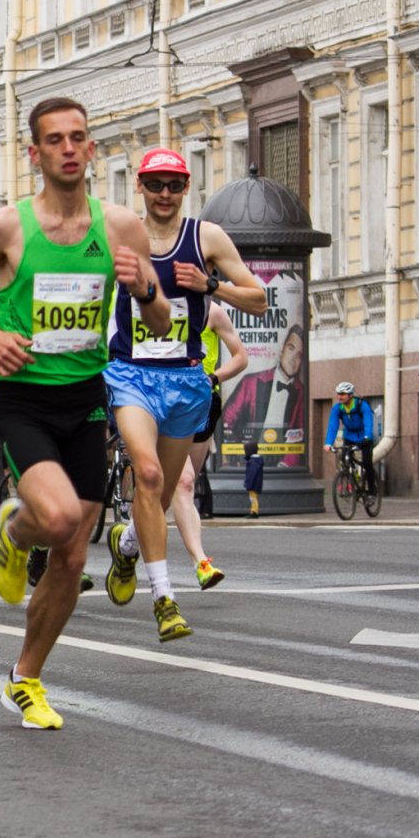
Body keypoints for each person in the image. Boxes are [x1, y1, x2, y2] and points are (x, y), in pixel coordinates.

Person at [0, 96, 167, 730]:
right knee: (61, 519)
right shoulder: (7, 228)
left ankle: (25, 677)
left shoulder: (120, 226)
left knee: (71, 558)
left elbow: (160, 319)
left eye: (80, 138)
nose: (69, 148)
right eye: (55, 140)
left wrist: (144, 287)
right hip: (26, 399)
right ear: (34, 154)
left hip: (85, 399)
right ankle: (15, 529)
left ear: (92, 149)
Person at [100, 148, 266, 642]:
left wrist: (211, 284)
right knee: (147, 475)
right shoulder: (118, 236)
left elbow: (257, 298)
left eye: (174, 184)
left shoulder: (205, 237)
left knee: (164, 490)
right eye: (156, 184)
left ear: (187, 186)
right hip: (129, 373)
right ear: (140, 187)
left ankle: (126, 545)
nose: (165, 194)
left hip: (186, 380)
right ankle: (165, 599)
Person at [168, 302, 248, 588]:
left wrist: (214, 377)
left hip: (202, 404)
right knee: (185, 483)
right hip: (166, 402)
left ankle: (128, 540)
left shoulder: (212, 312)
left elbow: (241, 357)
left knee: (173, 493)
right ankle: (201, 562)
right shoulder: (156, 305)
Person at [220, 322, 307, 466]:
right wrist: (239, 456)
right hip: (249, 458)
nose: (293, 358)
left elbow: (299, 437)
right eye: (291, 348)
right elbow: (227, 419)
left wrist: (284, 465)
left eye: (299, 355)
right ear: (282, 349)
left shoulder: (300, 392)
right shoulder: (250, 382)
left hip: (280, 464)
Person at [324, 381, 377, 495]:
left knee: (367, 463)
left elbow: (368, 422)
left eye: (343, 394)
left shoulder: (361, 405)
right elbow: (333, 426)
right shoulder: (338, 408)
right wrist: (328, 443)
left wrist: (367, 436)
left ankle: (372, 492)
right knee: (344, 459)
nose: (340, 396)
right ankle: (349, 481)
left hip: (364, 437)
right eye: (338, 394)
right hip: (349, 436)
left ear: (350, 395)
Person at [242, 439, 264, 516]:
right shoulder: (256, 460)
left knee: (253, 498)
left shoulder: (253, 462)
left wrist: (249, 484)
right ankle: (253, 511)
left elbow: (251, 475)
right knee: (253, 497)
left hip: (253, 484)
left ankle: (254, 511)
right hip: (255, 484)